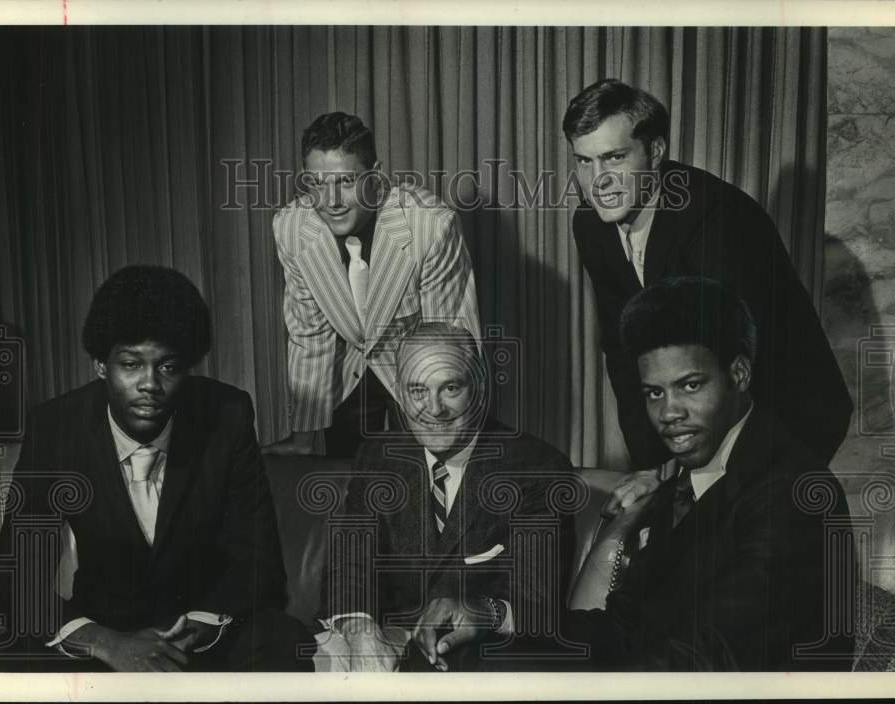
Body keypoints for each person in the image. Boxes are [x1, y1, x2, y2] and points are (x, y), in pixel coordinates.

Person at [0, 265, 312, 672]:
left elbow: (259, 563)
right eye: (131, 364)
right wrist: (106, 643)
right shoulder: (57, 428)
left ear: (186, 367)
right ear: (102, 365)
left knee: (284, 641)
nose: (150, 383)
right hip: (105, 633)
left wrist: (202, 624)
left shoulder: (226, 414)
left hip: (202, 634)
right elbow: (16, 584)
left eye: (167, 367)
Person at [563, 78, 853, 510]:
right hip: (709, 415)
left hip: (788, 412)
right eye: (584, 162)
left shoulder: (719, 219)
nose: (597, 181)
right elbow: (624, 351)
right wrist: (649, 464)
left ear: (656, 152)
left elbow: (743, 363)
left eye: (614, 158)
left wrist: (708, 476)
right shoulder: (591, 225)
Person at [566, 276, 855, 671]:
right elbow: (622, 628)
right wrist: (500, 621)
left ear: (738, 374)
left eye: (689, 385)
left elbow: (710, 654)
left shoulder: (794, 490)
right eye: (655, 393)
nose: (669, 413)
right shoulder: (687, 477)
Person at [315, 323, 576, 672]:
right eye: (417, 391)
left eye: (450, 387)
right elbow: (350, 564)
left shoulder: (537, 467)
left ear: (479, 388)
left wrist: (482, 610)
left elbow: (537, 601)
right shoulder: (378, 457)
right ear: (398, 393)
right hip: (384, 645)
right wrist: (359, 628)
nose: (433, 410)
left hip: (474, 658)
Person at [272, 112, 480, 457]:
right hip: (348, 368)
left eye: (346, 181)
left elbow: (448, 338)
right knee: (350, 483)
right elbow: (309, 335)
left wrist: (446, 434)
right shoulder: (292, 229)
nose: (330, 200)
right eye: (317, 183)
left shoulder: (430, 226)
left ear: (375, 175)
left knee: (425, 478)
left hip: (420, 368)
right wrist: (303, 438)